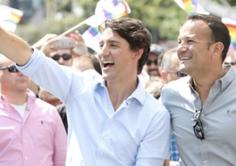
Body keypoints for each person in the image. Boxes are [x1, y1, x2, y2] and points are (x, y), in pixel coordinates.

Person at [0, 17, 170, 166]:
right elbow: (30, 58)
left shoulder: (155, 115)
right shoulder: (80, 85)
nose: (103, 52)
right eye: (102, 44)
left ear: (137, 52)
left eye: (113, 45)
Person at [160, 14, 236, 166]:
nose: (180, 49)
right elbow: (157, 154)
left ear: (216, 49)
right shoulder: (170, 95)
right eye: (180, 41)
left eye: (190, 41)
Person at [0, 55, 67, 166]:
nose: (21, 72)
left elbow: (62, 159)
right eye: (14, 68)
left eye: (24, 67)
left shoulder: (49, 111)